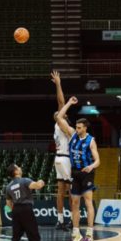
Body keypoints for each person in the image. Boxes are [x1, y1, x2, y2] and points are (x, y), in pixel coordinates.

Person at [57, 96, 101, 241]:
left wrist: (91, 166)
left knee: (88, 202)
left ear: (85, 128)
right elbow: (59, 118)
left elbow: (98, 161)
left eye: (79, 127)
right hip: (75, 172)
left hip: (87, 172)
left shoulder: (91, 141)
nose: (76, 129)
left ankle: (89, 234)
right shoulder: (72, 134)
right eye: (76, 127)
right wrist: (69, 103)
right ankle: (76, 234)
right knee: (75, 202)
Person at [51, 70, 73, 231]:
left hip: (58, 158)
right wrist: (59, 84)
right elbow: (61, 101)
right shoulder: (60, 123)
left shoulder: (60, 126)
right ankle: (73, 219)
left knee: (61, 192)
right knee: (73, 191)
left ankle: (60, 221)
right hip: (65, 158)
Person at [5, 164, 45, 241]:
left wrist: (16, 210)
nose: (20, 168)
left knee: (15, 237)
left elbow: (8, 203)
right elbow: (38, 185)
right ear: (16, 172)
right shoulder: (24, 181)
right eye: (18, 167)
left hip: (16, 210)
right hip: (26, 209)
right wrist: (41, 181)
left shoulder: (8, 186)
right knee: (33, 235)